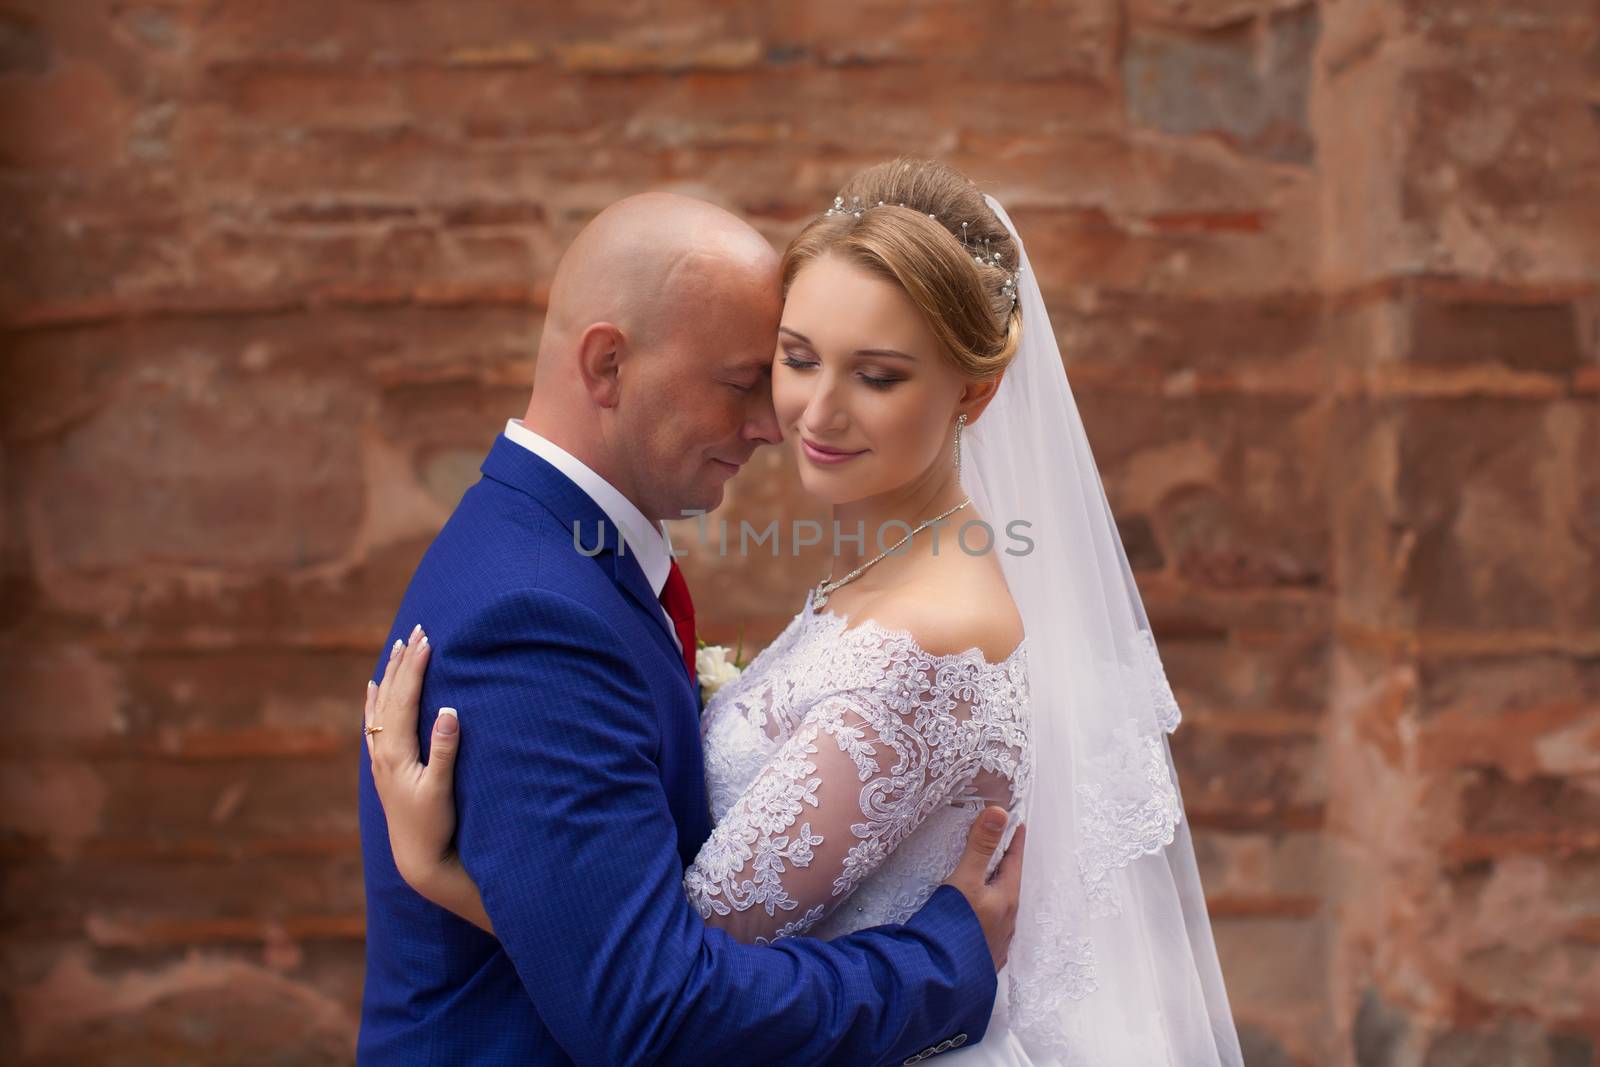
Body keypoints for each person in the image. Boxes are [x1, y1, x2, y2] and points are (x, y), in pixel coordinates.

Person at [368, 159, 1248, 1063]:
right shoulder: (876, 576)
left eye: (877, 375)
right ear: (607, 362)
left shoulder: (928, 638)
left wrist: (449, 876)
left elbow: (669, 968)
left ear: (972, 393)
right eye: (793, 362)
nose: (801, 415)